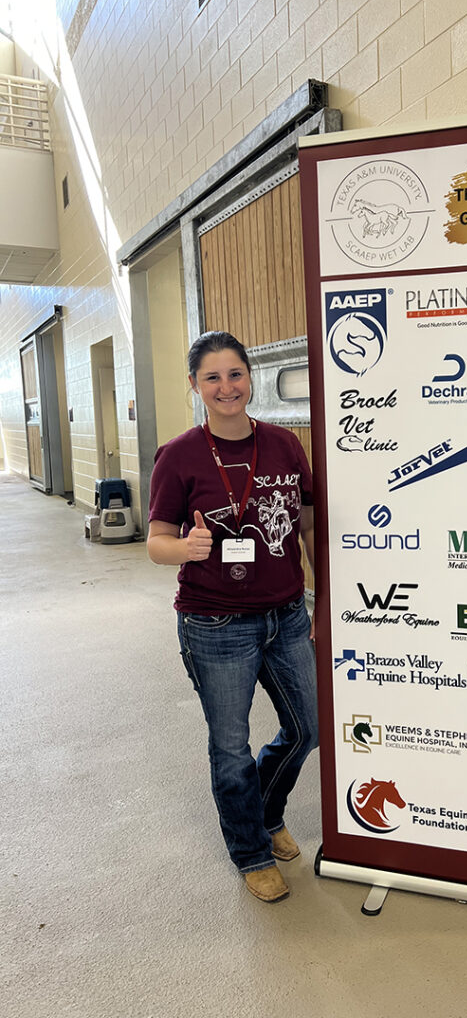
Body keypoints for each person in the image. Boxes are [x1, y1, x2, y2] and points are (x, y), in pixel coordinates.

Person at [147, 331, 318, 903]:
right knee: (230, 745)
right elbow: (156, 542)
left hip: (287, 615)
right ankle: (250, 850)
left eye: (235, 374)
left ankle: (266, 813)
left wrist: (325, 595)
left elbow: (309, 522)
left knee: (309, 728)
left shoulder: (285, 445)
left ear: (251, 378)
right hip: (216, 624)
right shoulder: (178, 455)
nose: (227, 387)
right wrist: (186, 549)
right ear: (194, 385)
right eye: (212, 377)